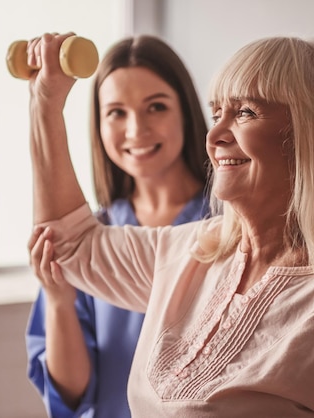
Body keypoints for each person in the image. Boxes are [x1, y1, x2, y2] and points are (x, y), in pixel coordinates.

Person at [26, 34, 314, 417]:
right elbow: (66, 243)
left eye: (245, 112)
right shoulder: (190, 252)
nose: (215, 136)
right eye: (217, 114)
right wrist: (46, 102)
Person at [24, 34, 210, 418]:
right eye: (116, 112)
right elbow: (74, 395)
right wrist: (59, 301)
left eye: (155, 107)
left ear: (186, 113)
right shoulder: (96, 234)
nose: (135, 129)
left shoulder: (227, 225)